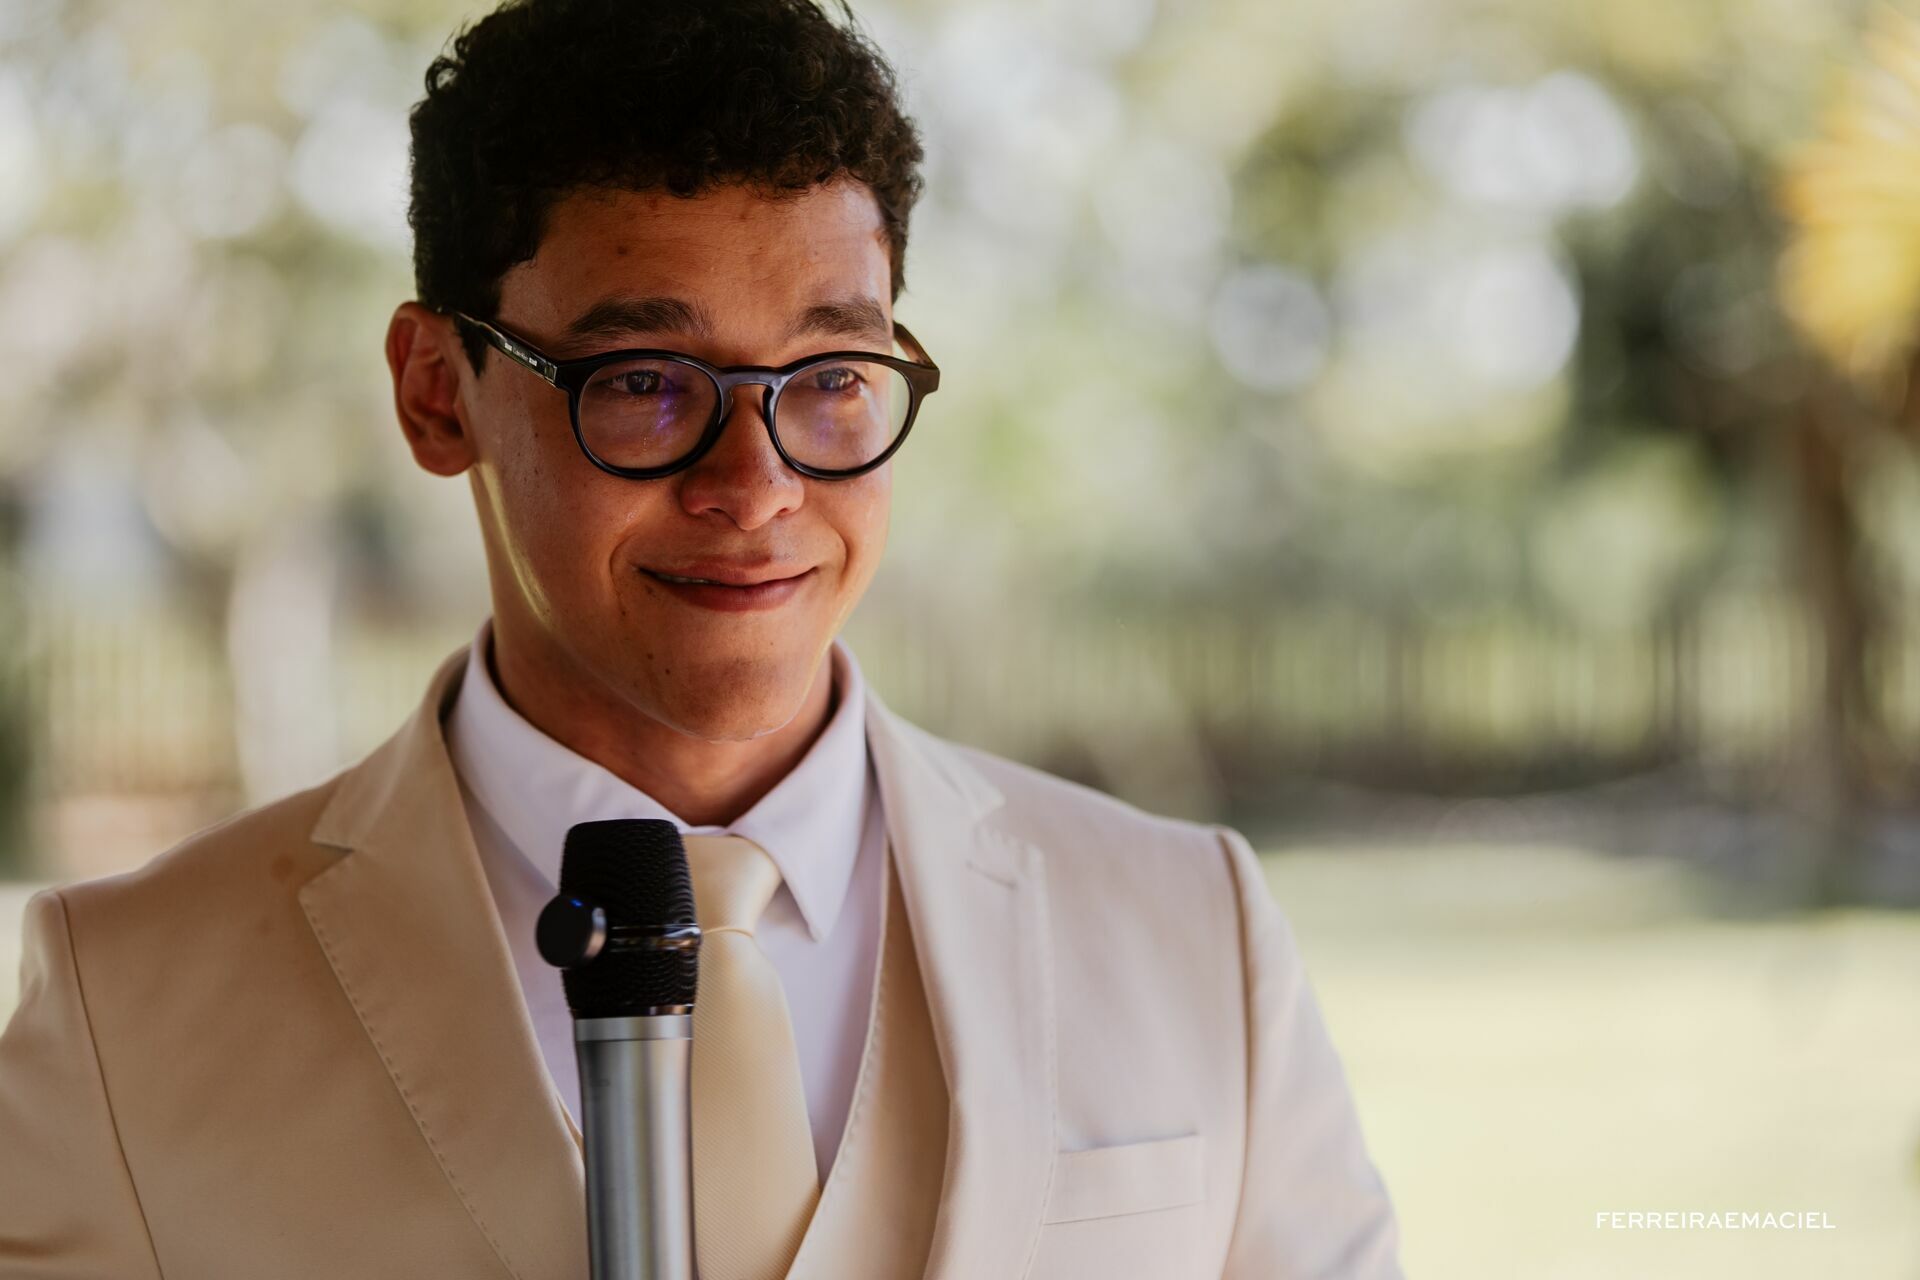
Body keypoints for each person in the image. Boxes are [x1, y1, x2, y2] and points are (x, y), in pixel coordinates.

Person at [0, 0, 1402, 1275]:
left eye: (833, 377)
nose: (757, 484)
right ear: (438, 394)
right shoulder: (124, 1009)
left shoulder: (1192, 931)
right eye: (648, 383)